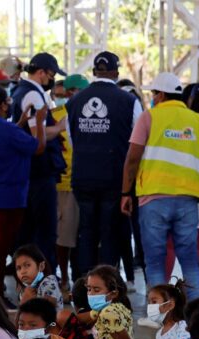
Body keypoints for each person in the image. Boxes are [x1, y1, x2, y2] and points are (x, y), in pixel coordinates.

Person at [121, 72, 199, 299]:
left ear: (161, 94)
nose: (154, 98)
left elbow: (133, 157)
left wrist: (125, 192)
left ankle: (159, 314)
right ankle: (194, 311)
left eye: (154, 93)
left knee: (155, 260)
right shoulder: (198, 120)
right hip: (188, 199)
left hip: (153, 198)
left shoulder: (149, 117)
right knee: (189, 261)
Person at [66, 52, 141, 279]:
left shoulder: (75, 101)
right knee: (109, 230)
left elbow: (72, 140)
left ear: (94, 73)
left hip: (83, 176)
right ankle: (106, 283)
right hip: (114, 177)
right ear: (116, 74)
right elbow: (137, 142)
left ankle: (84, 281)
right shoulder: (129, 101)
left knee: (86, 229)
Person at [0, 85, 45, 298]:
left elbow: (3, 140)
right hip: (7, 199)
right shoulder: (8, 130)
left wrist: (20, 123)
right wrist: (39, 121)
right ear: (2, 105)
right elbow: (38, 147)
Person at [10, 52, 68, 270]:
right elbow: (38, 136)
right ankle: (45, 280)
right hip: (39, 172)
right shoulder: (34, 96)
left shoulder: (18, 91)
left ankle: (26, 277)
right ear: (41, 72)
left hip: (26, 172)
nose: (51, 80)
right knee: (44, 231)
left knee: (27, 229)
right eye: (51, 75)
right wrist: (60, 127)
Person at [51, 74, 88, 295]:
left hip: (72, 183)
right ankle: (66, 277)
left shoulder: (55, 115)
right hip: (67, 183)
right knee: (67, 237)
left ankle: (68, 278)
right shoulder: (77, 114)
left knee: (66, 237)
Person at [14, 244, 63, 309]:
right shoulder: (26, 287)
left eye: (27, 265)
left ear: (41, 266)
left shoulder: (48, 283)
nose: (22, 271)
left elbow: (48, 308)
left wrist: (25, 302)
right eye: (19, 268)